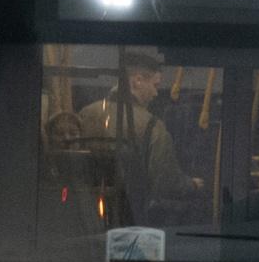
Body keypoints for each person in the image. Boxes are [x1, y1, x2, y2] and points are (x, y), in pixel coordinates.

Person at [74, 47, 194, 221]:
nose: (156, 93)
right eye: (155, 85)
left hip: (86, 212)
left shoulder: (86, 114)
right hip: (128, 214)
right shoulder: (152, 126)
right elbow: (165, 182)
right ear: (138, 81)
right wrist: (191, 185)